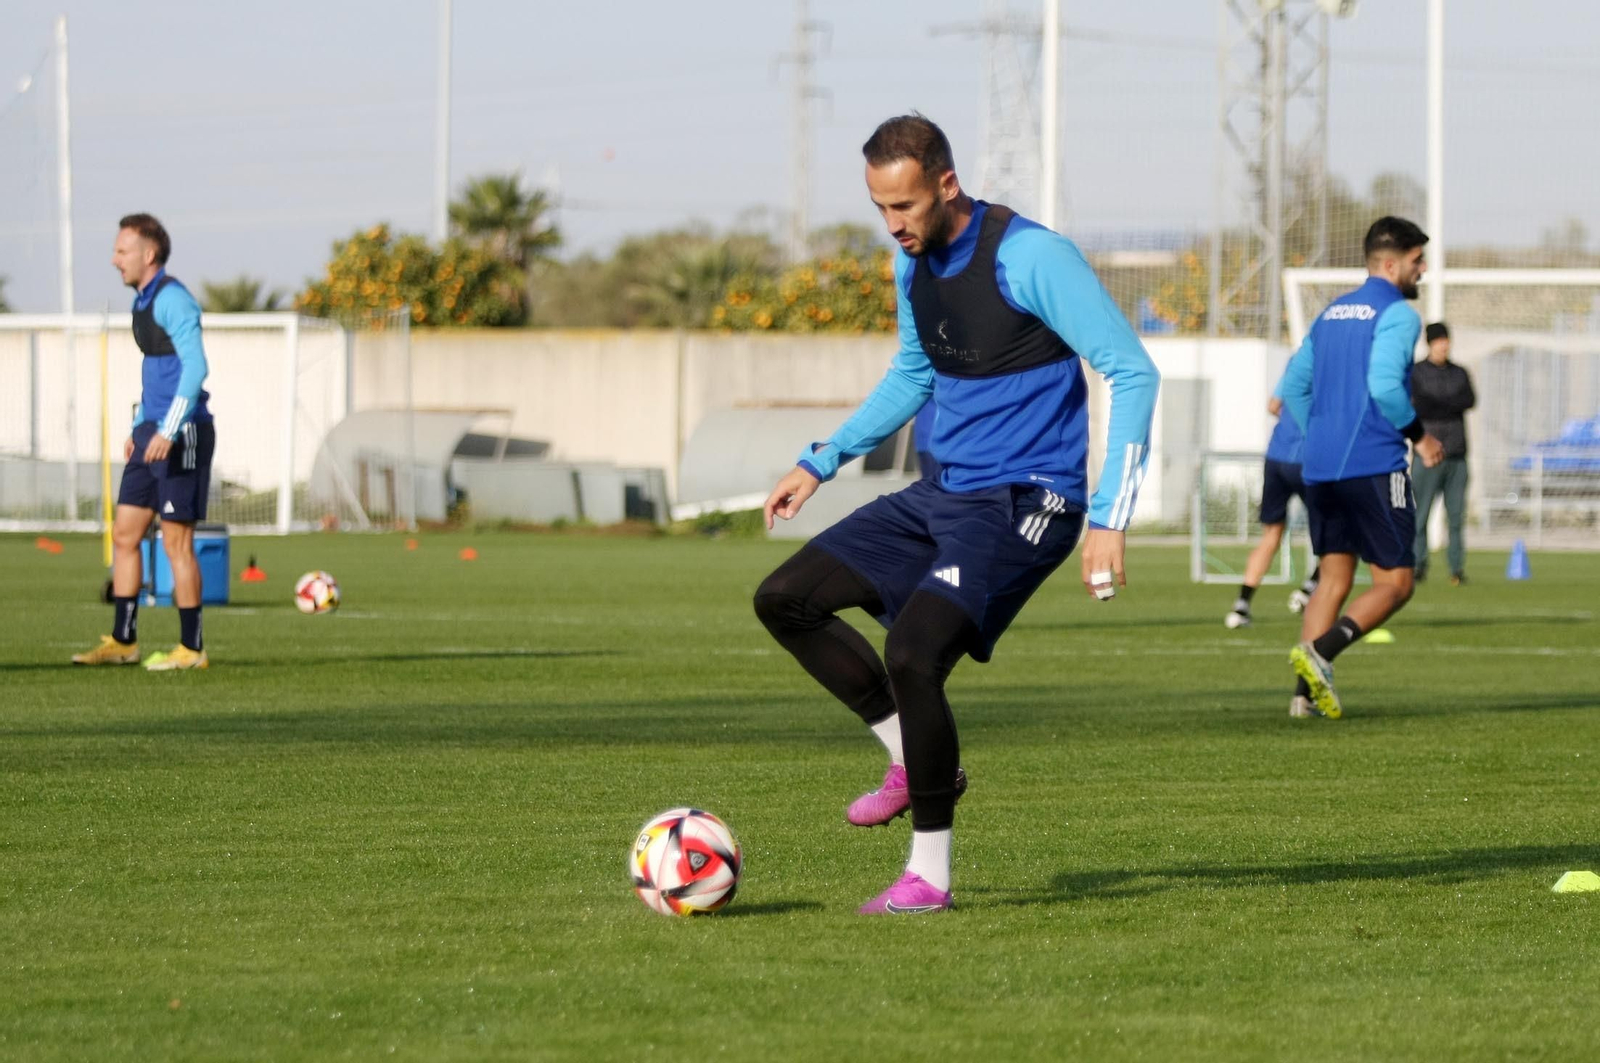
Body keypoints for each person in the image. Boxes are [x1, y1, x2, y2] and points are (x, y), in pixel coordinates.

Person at [753, 114, 1159, 914]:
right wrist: (820, 459)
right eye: (880, 208)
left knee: (912, 654)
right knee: (784, 599)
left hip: (1027, 499)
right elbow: (914, 375)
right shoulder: (912, 267)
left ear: (946, 183)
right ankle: (911, 756)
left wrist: (1111, 517)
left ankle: (929, 874)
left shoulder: (1032, 256)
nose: (894, 225)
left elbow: (1131, 370)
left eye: (904, 206)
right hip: (943, 493)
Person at [1279, 216, 1444, 719]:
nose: (1423, 271)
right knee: (1396, 583)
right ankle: (1320, 654)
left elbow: (1292, 388)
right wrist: (1420, 436)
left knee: (1333, 579)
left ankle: (1301, 700)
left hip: (1321, 468)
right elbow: (1386, 388)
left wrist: (1322, 433)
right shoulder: (1396, 314)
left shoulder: (1330, 314)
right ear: (1392, 264)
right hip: (1372, 464)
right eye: (1418, 262)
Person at [73, 213, 215, 671]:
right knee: (126, 534)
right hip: (150, 433)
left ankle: (191, 649)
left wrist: (169, 430)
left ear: (148, 254)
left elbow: (195, 370)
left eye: (122, 250)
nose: (115, 260)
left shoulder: (174, 299)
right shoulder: (143, 301)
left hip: (182, 433)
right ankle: (124, 641)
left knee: (176, 543)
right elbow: (159, 373)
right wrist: (141, 426)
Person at [1224, 377, 1320, 629]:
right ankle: (1310, 589)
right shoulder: (1334, 360)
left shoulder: (1296, 362)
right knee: (1341, 532)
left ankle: (1241, 606)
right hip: (1308, 460)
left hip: (1276, 457)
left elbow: (1273, 405)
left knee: (1271, 534)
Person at [1410, 321, 1475, 584]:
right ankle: (1417, 565)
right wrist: (1447, 404)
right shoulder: (1417, 373)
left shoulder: (1460, 373)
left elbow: (1468, 400)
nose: (1444, 345)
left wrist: (1438, 403)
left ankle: (1456, 569)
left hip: (1457, 453)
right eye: (1439, 340)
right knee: (1421, 514)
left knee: (1456, 516)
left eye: (1446, 340)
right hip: (1427, 455)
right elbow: (1421, 405)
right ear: (1430, 343)